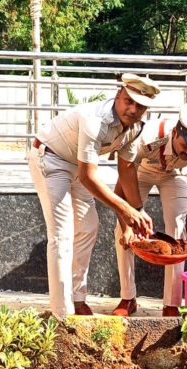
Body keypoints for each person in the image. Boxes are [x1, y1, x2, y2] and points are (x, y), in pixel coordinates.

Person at [28, 73, 160, 317]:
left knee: (88, 227)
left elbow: (127, 169)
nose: (132, 109)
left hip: (77, 166)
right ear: (118, 95)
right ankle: (62, 314)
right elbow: (89, 177)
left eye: (140, 106)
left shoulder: (136, 127)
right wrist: (125, 210)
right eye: (128, 101)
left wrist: (138, 210)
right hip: (51, 158)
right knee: (62, 235)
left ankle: (78, 300)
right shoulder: (95, 120)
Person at [112, 103, 187, 317]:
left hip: (176, 175)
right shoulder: (148, 135)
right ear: (175, 131)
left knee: (178, 233)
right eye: (184, 146)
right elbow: (120, 189)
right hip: (142, 170)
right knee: (122, 231)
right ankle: (127, 297)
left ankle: (172, 303)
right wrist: (127, 225)